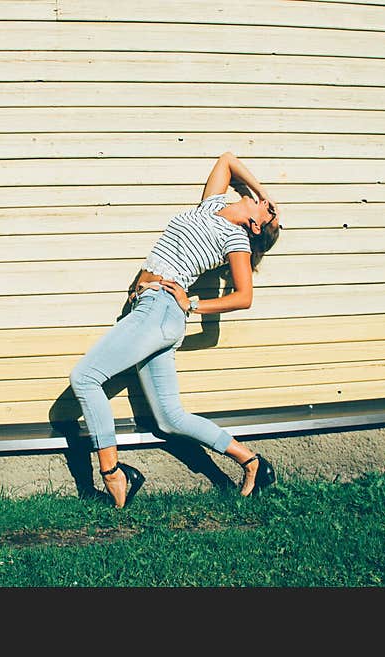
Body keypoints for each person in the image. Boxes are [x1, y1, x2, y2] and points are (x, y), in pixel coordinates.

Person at [68, 151, 282, 508]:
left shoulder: (237, 240)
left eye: (269, 211)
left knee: (85, 378)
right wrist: (263, 192)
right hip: (151, 309)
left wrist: (193, 303)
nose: (264, 203)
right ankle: (252, 463)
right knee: (169, 419)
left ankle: (113, 475)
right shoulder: (209, 206)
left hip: (162, 309)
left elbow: (244, 297)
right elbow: (227, 161)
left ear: (256, 227)